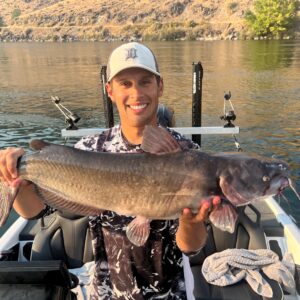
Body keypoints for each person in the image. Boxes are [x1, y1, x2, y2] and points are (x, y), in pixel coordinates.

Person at [0, 42, 220, 299]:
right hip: (107, 291)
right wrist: (13, 177)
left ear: (160, 86)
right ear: (110, 91)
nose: (136, 93)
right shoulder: (91, 148)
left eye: (145, 81)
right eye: (125, 83)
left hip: (169, 291)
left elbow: (190, 247)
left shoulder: (187, 154)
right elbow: (35, 210)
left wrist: (192, 222)